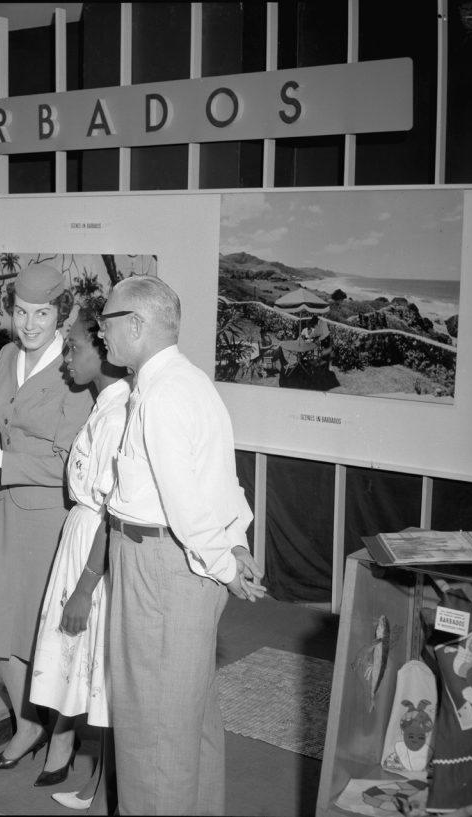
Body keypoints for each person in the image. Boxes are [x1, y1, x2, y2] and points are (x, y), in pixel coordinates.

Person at [97, 275, 266, 815]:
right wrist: (234, 548)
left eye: (107, 322)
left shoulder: (163, 393)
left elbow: (185, 504)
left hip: (160, 569)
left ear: (137, 324)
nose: (102, 335)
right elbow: (222, 482)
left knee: (152, 735)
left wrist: (222, 562)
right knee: (190, 722)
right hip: (182, 567)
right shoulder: (189, 382)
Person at [0, 264, 94, 779]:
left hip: (50, 516)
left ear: (60, 315)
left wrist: (4, 466)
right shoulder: (4, 356)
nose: (28, 324)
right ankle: (27, 724)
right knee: (4, 623)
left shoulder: (74, 371)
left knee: (49, 631)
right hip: (3, 510)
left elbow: (74, 464)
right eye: (20, 312)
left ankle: (63, 737)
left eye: (41, 313)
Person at [28, 308, 129, 808]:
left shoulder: (117, 414)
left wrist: (87, 586)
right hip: (83, 535)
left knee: (105, 668)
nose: (66, 358)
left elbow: (114, 510)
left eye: (74, 348)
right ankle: (99, 779)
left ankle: (109, 787)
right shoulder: (103, 405)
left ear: (103, 351)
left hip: (97, 545)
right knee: (88, 663)